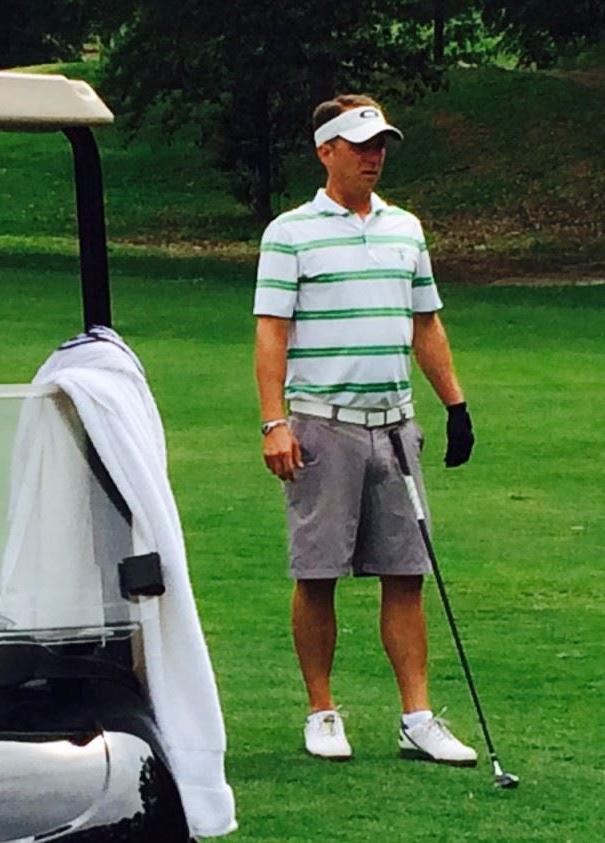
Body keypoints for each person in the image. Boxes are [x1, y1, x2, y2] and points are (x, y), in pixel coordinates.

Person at [253, 94, 477, 764]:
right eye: (360, 145)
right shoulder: (290, 232)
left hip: (396, 425)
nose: (374, 156)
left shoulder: (405, 228)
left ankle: (417, 716)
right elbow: (272, 332)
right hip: (322, 424)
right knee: (317, 571)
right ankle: (322, 711)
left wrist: (455, 405)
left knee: (406, 573)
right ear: (327, 151)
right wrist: (274, 422)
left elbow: (425, 323)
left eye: (380, 144)